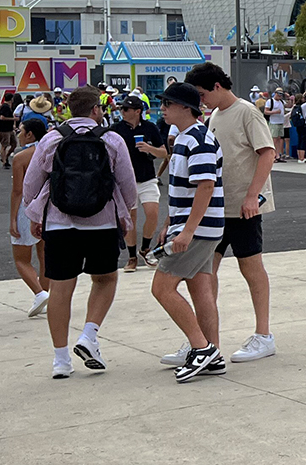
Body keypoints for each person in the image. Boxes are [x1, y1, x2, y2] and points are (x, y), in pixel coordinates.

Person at [21, 86, 137, 379]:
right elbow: (127, 184)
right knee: (105, 279)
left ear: (70, 110)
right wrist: (126, 214)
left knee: (60, 288)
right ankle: (89, 333)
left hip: (60, 223)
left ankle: (60, 360)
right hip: (102, 221)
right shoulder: (111, 140)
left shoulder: (51, 139)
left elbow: (31, 184)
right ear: (96, 109)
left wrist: (35, 213)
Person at [185, 61, 277, 364]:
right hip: (218, 207)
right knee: (204, 272)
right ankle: (204, 340)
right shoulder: (215, 116)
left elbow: (268, 152)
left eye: (201, 93)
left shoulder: (247, 112)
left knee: (251, 268)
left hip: (243, 207)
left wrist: (253, 196)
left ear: (217, 86)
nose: (200, 100)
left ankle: (263, 335)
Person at [150, 83, 229, 381]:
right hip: (197, 227)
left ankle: (201, 348)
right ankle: (213, 352)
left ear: (186, 107)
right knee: (200, 289)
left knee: (161, 288)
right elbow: (186, 188)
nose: (163, 108)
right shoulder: (188, 138)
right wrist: (172, 222)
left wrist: (186, 231)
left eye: (168, 103)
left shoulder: (197, 139)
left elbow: (206, 186)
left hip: (198, 229)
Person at [109, 95, 167, 272]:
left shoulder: (150, 128)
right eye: (122, 108)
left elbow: (164, 152)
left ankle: (145, 248)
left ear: (137, 111)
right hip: (125, 180)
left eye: (126, 109)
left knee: (152, 213)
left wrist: (150, 149)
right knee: (130, 219)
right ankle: (132, 256)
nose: (122, 112)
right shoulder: (116, 129)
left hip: (147, 177)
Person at [8, 115, 51, 317]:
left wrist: (12, 218)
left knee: (21, 258)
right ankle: (45, 292)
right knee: (44, 256)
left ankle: (39, 292)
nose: (19, 134)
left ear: (30, 134)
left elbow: (18, 191)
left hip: (28, 208)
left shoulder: (21, 158)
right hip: (48, 207)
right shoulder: (50, 151)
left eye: (21, 131)